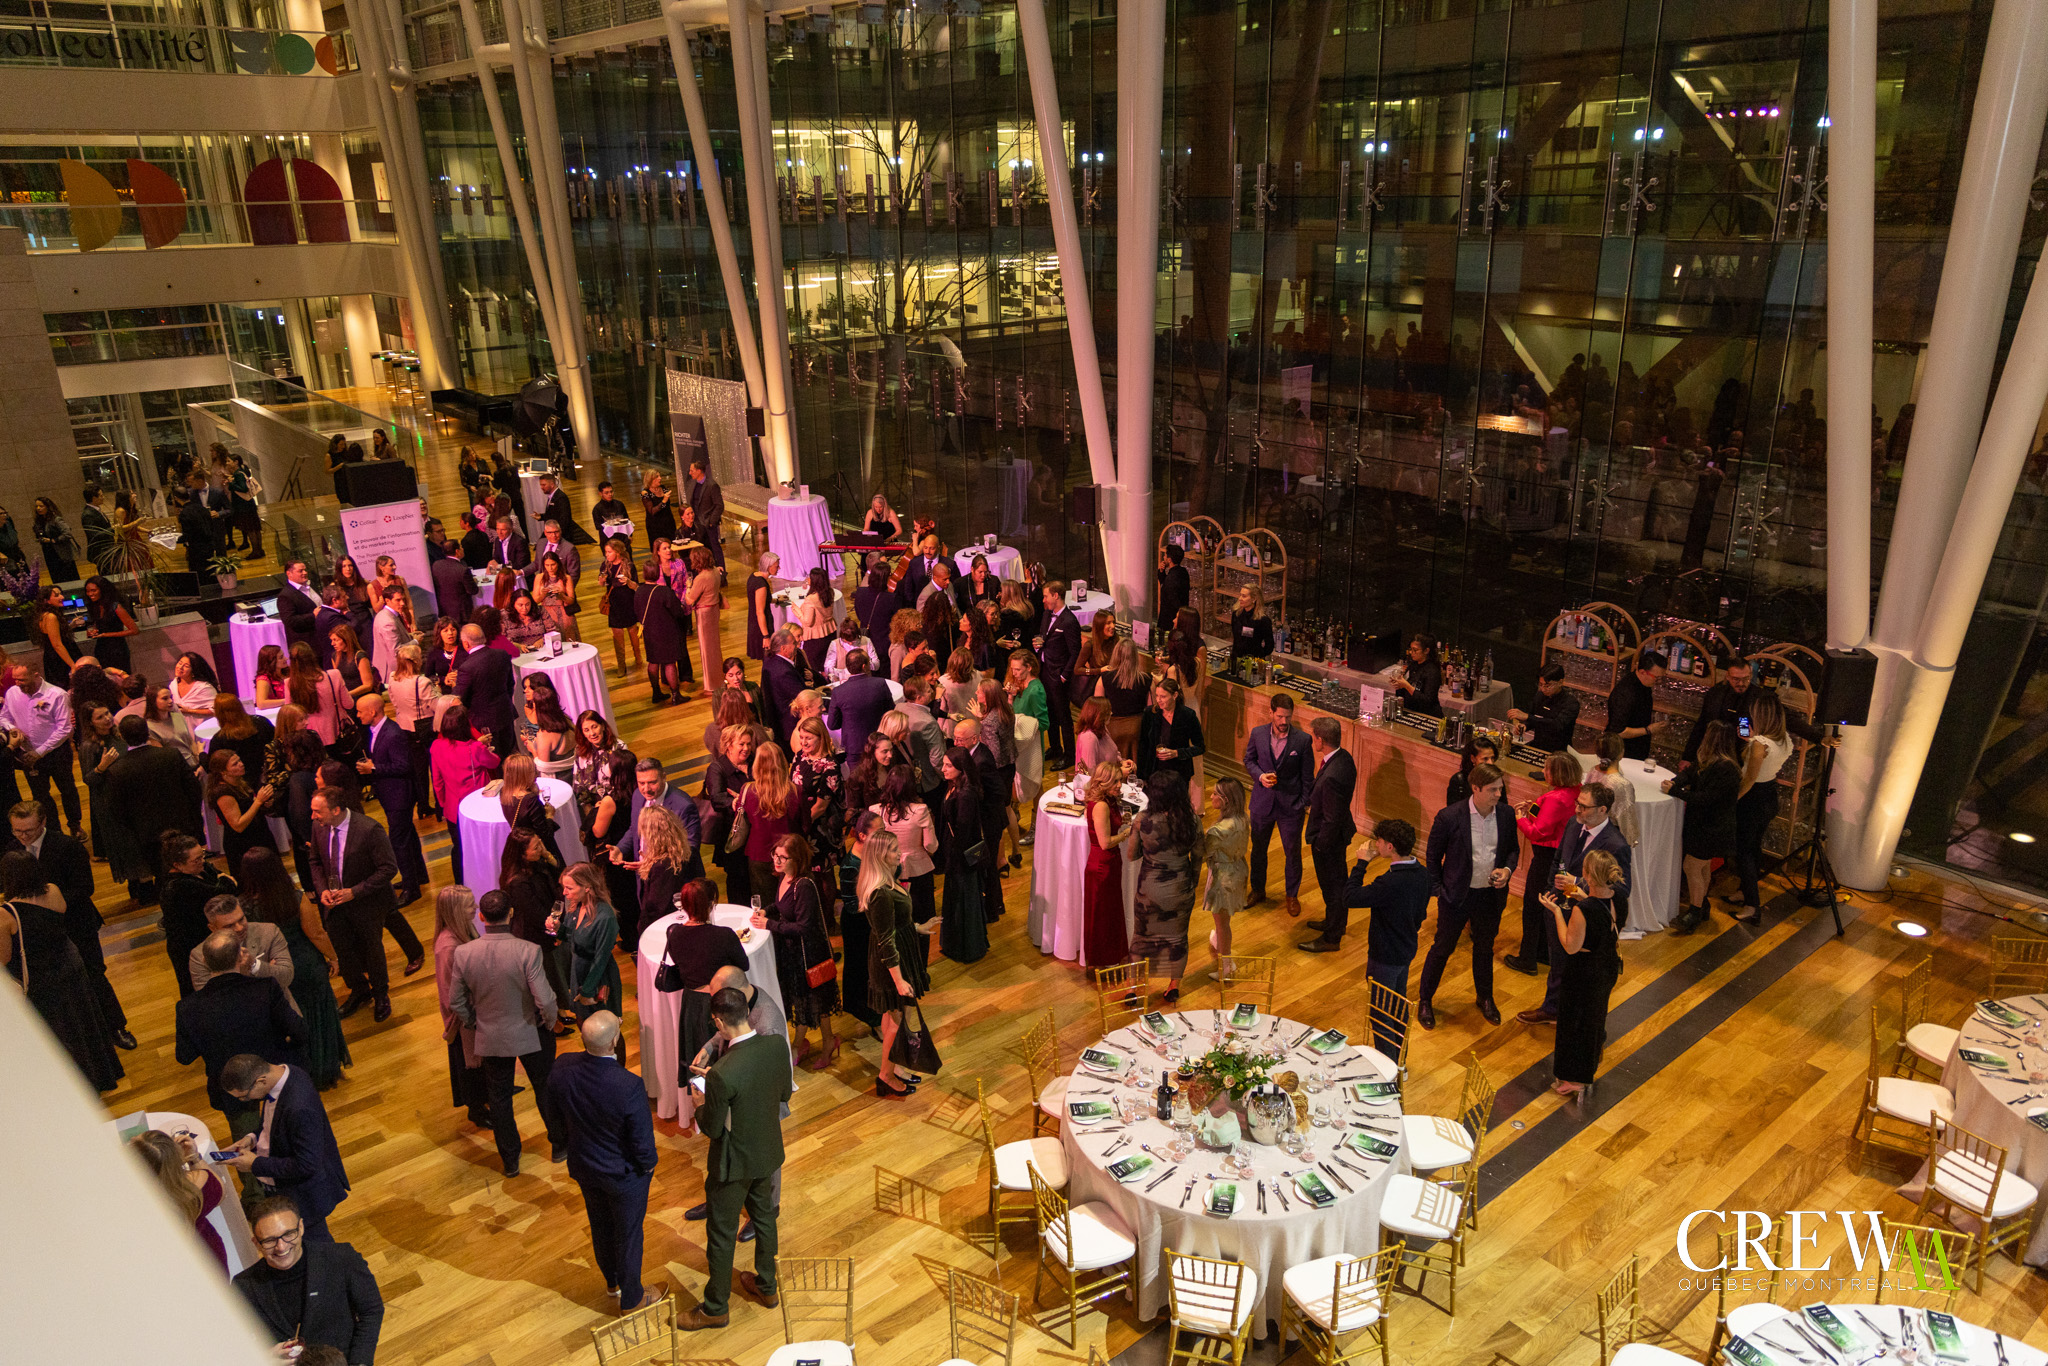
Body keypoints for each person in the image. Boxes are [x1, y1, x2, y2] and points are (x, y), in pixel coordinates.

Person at [676, 985, 792, 1332]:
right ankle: (768, 1287)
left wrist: (701, 1102)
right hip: (767, 1151)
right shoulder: (776, 1044)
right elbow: (783, 1094)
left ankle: (715, 1309)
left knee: (722, 1234)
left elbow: (712, 1128)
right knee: (765, 1218)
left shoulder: (723, 1072)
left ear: (718, 1021)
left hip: (732, 1164)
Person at [551, 1010, 665, 1312]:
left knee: (600, 1225)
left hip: (585, 1166)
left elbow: (552, 1112)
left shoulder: (562, 1067)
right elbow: (642, 1141)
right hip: (623, 1175)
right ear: (615, 1041)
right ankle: (632, 1299)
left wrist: (565, 1142)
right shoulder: (628, 1085)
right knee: (628, 1235)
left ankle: (612, 1283)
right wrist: (649, 1165)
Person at [450, 888, 564, 1174]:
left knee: (499, 1098)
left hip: (491, 1035)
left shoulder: (463, 953)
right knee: (544, 1088)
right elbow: (545, 999)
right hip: (531, 1031)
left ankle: (510, 1160)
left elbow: (456, 1001)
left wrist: (474, 1022)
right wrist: (550, 1021)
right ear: (511, 914)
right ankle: (559, 1145)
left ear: (481, 917)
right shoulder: (528, 950)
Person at [4, 798, 130, 1047]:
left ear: (43, 822)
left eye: (28, 830)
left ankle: (116, 1027)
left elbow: (85, 888)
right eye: (17, 831)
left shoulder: (67, 847)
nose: (23, 837)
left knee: (94, 974)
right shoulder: (12, 850)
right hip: (37, 932)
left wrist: (45, 904)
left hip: (76, 924)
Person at [2, 849, 124, 1091]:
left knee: (59, 1036)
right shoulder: (53, 891)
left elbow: (4, 957)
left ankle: (77, 1086)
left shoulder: (6, 914)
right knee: (84, 1023)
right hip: (70, 967)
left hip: (41, 980)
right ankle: (101, 1075)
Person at [1417, 762, 1519, 1030]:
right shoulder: (1449, 816)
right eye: (1493, 789)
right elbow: (1432, 856)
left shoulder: (1506, 814)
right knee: (1442, 948)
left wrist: (1507, 870)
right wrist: (1439, 890)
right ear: (1476, 788)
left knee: (1485, 948)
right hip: (1456, 896)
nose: (1499, 794)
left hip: (1490, 896)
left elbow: (1512, 850)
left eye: (1500, 788)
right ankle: (1425, 999)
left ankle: (1485, 997)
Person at [1522, 780, 1633, 1024]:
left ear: (1602, 810)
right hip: (1558, 908)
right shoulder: (1574, 824)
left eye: (1584, 807)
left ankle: (1568, 1016)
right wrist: (1552, 889)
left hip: (1585, 915)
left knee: (1574, 970)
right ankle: (1552, 1009)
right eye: (1577, 803)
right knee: (1557, 963)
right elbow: (1559, 860)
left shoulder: (1616, 845)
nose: (1577, 810)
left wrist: (1578, 883)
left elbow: (1622, 889)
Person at [175, 928, 306, 1132]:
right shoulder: (265, 988)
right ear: (241, 956)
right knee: (290, 1134)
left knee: (248, 1143)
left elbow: (184, 1057)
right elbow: (300, 1031)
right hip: (272, 1078)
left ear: (205, 961)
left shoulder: (187, 1008)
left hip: (232, 1089)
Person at [243, 848, 350, 1089]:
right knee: (319, 1017)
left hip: (272, 969)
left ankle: (296, 1075)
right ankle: (324, 1070)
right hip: (305, 964)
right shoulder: (295, 897)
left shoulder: (245, 907)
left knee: (288, 1021)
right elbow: (316, 934)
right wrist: (333, 957)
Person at [234, 1197, 384, 1363]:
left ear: (301, 1227)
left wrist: (360, 1362)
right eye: (270, 1240)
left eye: (288, 1234)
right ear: (256, 1242)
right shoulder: (243, 1286)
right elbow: (236, 1343)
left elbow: (371, 1311)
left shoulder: (341, 1258)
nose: (281, 1247)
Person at [308, 786, 404, 1023]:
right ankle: (359, 991)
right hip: (334, 904)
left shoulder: (369, 829)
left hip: (366, 903)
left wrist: (354, 892)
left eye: (318, 811)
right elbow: (315, 862)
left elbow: (388, 869)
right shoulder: (319, 827)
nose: (313, 816)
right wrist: (322, 890)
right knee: (343, 949)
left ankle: (381, 994)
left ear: (336, 810)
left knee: (372, 950)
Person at [1543, 850, 1626, 1098]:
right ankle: (1588, 1067)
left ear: (1588, 875)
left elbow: (1570, 946)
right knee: (1594, 1019)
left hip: (1584, 971)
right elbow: (1601, 911)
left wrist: (1557, 912)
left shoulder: (1583, 910)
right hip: (1607, 965)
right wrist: (1580, 895)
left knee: (1573, 1024)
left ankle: (1573, 1078)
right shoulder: (1620, 898)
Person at [1343, 820, 1430, 1053]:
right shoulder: (1423, 874)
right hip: (1406, 950)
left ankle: (1388, 1066)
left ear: (1390, 846)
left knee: (1380, 1015)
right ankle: (1400, 1061)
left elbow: (1350, 898)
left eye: (1379, 841)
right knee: (1399, 1009)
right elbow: (1420, 914)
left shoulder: (1389, 883)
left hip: (1385, 956)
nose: (1376, 845)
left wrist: (1361, 863)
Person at [753, 833, 838, 1069]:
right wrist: (767, 911)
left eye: (783, 857)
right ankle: (827, 1041)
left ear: (797, 859)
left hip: (808, 954)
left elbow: (803, 927)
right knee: (815, 1001)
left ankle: (799, 1045)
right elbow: (783, 905)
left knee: (807, 1001)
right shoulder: (785, 877)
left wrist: (769, 924)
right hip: (793, 952)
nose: (776, 860)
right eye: (775, 855)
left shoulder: (805, 886)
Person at [1503, 751, 1584, 976]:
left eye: (1547, 768)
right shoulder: (1577, 792)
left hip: (1546, 858)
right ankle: (1543, 952)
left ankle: (1527, 958)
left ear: (1556, 773)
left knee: (1533, 906)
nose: (1543, 771)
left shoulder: (1555, 798)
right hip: (1564, 857)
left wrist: (1520, 818)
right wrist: (1535, 810)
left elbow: (1538, 833)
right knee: (1550, 904)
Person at [1129, 770, 1200, 1003]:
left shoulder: (1142, 820)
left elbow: (1131, 855)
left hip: (1149, 889)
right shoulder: (1193, 821)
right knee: (1178, 938)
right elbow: (1198, 857)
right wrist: (1192, 883)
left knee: (1141, 936)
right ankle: (1173, 986)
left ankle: (1133, 988)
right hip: (1180, 887)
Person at [1666, 720, 1742, 934]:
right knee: (1702, 867)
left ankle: (1695, 911)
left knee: (1691, 866)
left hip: (1712, 827)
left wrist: (1675, 791)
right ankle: (1702, 904)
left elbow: (1706, 798)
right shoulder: (1710, 761)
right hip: (1704, 824)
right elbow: (1688, 774)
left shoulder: (1726, 769)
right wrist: (1676, 782)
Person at [1243, 692, 1312, 914]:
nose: (1284, 721)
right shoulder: (1257, 733)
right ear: (1270, 712)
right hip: (1262, 803)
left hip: (1290, 807)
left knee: (1292, 853)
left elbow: (1308, 777)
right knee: (1258, 850)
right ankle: (1258, 890)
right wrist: (1260, 776)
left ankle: (1291, 896)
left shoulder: (1302, 740)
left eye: (1288, 717)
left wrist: (1302, 803)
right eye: (1280, 716)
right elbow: (1249, 760)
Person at [1732, 692, 1794, 926]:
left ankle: (1752, 906)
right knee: (1754, 847)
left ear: (1761, 715)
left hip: (1753, 798)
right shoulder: (1784, 739)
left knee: (1744, 851)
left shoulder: (1760, 744)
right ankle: (1744, 891)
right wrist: (1750, 740)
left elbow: (1749, 780)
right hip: (1769, 795)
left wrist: (1733, 800)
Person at [130, 1129, 230, 1273]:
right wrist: (194, 1157)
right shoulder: (198, 1182)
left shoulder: (136, 1203)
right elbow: (220, 1193)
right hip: (210, 1260)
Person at [5, 656, 82, 837]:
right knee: (40, 795)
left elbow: (64, 729)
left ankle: (75, 825)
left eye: (22, 679)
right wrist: (12, 728)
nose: (17, 684)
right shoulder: (12, 693)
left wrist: (40, 752)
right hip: (28, 754)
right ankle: (54, 832)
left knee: (67, 789)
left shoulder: (57, 695)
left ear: (36, 675)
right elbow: (4, 717)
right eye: (15, 679)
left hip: (56, 753)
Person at [429, 704, 501, 887]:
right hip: (478, 807)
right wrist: (487, 750)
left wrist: (444, 804)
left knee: (459, 849)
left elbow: (437, 781)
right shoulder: (475, 748)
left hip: (453, 808)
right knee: (483, 849)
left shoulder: (436, 746)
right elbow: (494, 763)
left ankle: (461, 885)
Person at [1303, 715, 1358, 932]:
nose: (1313, 741)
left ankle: (1332, 935)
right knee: (1335, 885)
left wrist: (1320, 845)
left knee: (1332, 887)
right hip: (1337, 835)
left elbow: (1331, 818)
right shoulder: (1344, 757)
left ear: (1321, 740)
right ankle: (1333, 923)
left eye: (1314, 737)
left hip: (1329, 841)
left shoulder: (1332, 776)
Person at [186, 889, 295, 995]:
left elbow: (286, 977)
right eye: (229, 926)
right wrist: (261, 977)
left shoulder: (268, 932)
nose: (239, 928)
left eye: (241, 919)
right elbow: (210, 1000)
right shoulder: (199, 955)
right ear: (213, 928)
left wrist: (254, 964)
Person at [936, 744, 987, 964]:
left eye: (948, 765)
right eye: (944, 764)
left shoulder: (965, 795)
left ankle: (965, 947)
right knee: (956, 897)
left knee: (963, 899)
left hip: (961, 857)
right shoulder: (954, 786)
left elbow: (964, 832)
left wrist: (953, 859)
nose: (943, 769)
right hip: (954, 852)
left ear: (960, 768)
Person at [556, 861, 622, 1021]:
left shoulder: (604, 916)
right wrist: (559, 929)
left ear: (587, 887)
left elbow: (601, 958)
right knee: (584, 1024)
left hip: (598, 980)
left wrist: (587, 991)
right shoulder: (576, 908)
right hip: (578, 974)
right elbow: (572, 937)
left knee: (604, 1029)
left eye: (569, 888)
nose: (564, 892)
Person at [205, 749, 278, 883]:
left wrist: (264, 804)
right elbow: (238, 825)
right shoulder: (222, 792)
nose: (241, 764)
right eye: (235, 764)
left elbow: (249, 808)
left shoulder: (239, 782)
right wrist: (258, 801)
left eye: (239, 760)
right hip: (244, 845)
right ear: (223, 772)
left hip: (259, 835)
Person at [1198, 777, 1249, 958]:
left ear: (1225, 800)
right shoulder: (1242, 819)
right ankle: (1219, 944)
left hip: (1223, 878)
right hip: (1238, 870)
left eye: (1215, 794)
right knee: (1223, 921)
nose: (1211, 797)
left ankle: (1225, 964)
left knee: (1222, 923)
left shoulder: (1218, 831)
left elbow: (1202, 855)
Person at [635, 556, 695, 704]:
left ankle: (656, 692)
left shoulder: (639, 591)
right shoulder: (664, 591)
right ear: (657, 573)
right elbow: (678, 612)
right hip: (666, 632)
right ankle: (675, 695)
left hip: (649, 632)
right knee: (669, 663)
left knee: (653, 662)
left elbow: (636, 611)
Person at [1035, 583, 1080, 766]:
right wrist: (1038, 645)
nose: (1043, 600)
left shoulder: (1069, 621)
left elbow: (1075, 652)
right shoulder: (1047, 614)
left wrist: (1064, 676)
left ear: (1056, 596)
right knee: (1050, 713)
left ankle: (1069, 756)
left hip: (1059, 675)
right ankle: (1055, 748)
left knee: (1064, 717)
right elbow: (1043, 638)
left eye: (1046, 596)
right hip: (1045, 671)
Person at [454, 624, 517, 754]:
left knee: (493, 760)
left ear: (466, 643)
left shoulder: (467, 667)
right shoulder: (502, 655)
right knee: (510, 755)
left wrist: (453, 686)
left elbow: (459, 698)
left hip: (483, 724)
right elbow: (510, 684)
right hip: (505, 713)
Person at [1136, 676, 1204, 783]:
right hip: (1154, 771)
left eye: (1163, 697)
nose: (1158, 700)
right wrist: (1141, 776)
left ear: (1175, 695)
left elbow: (1200, 747)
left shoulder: (1187, 715)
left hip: (1179, 773)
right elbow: (1143, 745)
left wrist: (1177, 753)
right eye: (1157, 695)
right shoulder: (1150, 713)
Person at [1603, 650, 1666, 761]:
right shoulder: (1625, 693)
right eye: (1657, 677)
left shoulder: (1644, 685)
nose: (1659, 682)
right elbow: (1618, 731)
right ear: (1642, 672)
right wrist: (1648, 730)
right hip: (1622, 753)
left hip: (1638, 748)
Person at [1581, 733, 1641, 846]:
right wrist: (1630, 842)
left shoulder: (1593, 771)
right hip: (1607, 836)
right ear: (1621, 753)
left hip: (1589, 828)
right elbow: (1626, 818)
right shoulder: (1622, 785)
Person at [1508, 664, 1582, 753]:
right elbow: (1534, 718)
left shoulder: (1571, 703)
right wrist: (1525, 726)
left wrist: (1527, 717)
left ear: (1560, 682)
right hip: (1537, 745)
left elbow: (1556, 725)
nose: (1543, 689)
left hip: (1558, 750)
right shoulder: (1540, 696)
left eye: (1547, 685)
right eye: (1540, 684)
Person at [24, 583, 79, 687]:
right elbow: (57, 644)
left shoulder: (45, 615)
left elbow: (54, 634)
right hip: (60, 659)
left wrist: (70, 626)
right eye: (57, 595)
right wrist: (73, 665)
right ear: (47, 600)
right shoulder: (50, 617)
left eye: (61, 594)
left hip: (54, 657)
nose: (62, 597)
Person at [80, 574, 137, 673]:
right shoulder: (94, 606)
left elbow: (134, 630)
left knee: (121, 677)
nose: (90, 594)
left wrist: (106, 635)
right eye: (87, 591)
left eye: (93, 590)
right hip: (101, 649)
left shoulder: (116, 607)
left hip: (118, 649)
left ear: (102, 590)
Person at [1226, 583, 1274, 675]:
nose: (1240, 598)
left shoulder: (1263, 620)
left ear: (1254, 599)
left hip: (1253, 664)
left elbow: (1269, 646)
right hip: (1236, 660)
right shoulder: (1236, 614)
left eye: (1244, 596)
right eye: (1240, 595)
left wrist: (1258, 658)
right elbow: (1236, 638)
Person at [277, 559, 321, 658]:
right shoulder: (285, 596)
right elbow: (290, 621)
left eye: (305, 570)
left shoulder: (311, 586)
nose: (305, 573)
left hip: (320, 640)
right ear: (289, 574)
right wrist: (313, 616)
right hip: (306, 647)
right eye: (300, 571)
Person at [1392, 636, 1444, 717]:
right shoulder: (1413, 665)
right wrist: (1399, 685)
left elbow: (1427, 701)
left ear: (1426, 651)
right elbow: (1402, 694)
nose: (1411, 652)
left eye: (1415, 650)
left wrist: (1407, 686)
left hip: (1427, 715)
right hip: (1410, 710)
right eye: (1411, 649)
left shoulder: (1432, 671)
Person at [1444, 734, 1503, 807]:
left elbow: (1502, 808)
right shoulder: (1459, 780)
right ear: (1473, 758)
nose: (1490, 763)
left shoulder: (1497, 779)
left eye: (1492, 758)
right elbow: (1452, 811)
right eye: (1485, 759)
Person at [31, 497, 79, 583]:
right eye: (37, 506)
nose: (38, 508)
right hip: (49, 553)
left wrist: (53, 540)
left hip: (62, 554)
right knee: (56, 578)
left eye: (41, 506)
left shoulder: (56, 519)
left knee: (69, 578)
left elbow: (67, 533)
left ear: (48, 507)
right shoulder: (39, 521)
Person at [745, 552, 778, 662]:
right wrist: (766, 636)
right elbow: (760, 611)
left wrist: (775, 600)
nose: (778, 568)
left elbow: (758, 600)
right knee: (768, 659)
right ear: (769, 567)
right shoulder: (761, 585)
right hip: (762, 627)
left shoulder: (753, 576)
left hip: (754, 623)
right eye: (776, 566)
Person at [1155, 543, 1191, 639]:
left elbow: (1171, 601)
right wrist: (1161, 571)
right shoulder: (1183, 572)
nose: (1164, 557)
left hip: (1170, 621)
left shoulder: (1171, 579)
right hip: (1182, 615)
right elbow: (1166, 582)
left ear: (1169, 559)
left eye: (1165, 555)